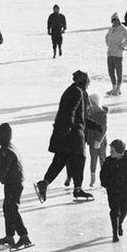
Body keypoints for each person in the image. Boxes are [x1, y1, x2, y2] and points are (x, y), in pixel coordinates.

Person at [35, 69, 92, 203]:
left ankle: (44, 183)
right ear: (83, 81)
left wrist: (94, 125)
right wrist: (67, 130)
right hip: (72, 133)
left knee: (60, 160)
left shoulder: (75, 90)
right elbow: (70, 112)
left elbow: (79, 115)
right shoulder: (76, 92)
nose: (88, 84)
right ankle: (77, 189)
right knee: (79, 159)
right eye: (88, 82)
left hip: (67, 132)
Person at [0, 121, 31, 250]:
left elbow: (3, 169)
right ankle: (9, 236)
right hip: (13, 183)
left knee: (12, 210)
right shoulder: (11, 147)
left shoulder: (5, 150)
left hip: (13, 184)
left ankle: (24, 236)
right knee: (7, 209)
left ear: (2, 137)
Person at [99, 137, 127, 242]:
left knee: (124, 210)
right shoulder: (108, 161)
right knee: (114, 211)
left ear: (118, 151)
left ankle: (119, 223)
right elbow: (103, 174)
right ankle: (114, 233)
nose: (110, 152)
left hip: (125, 190)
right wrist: (105, 184)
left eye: (112, 150)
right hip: (112, 190)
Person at [104, 13, 127, 96]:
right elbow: (107, 37)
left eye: (116, 20)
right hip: (110, 53)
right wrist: (108, 44)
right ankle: (114, 87)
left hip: (118, 54)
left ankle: (118, 88)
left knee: (118, 71)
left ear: (119, 20)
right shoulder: (111, 29)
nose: (115, 22)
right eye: (113, 20)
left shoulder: (122, 29)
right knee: (111, 71)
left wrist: (122, 46)